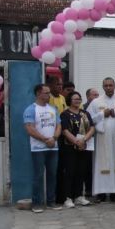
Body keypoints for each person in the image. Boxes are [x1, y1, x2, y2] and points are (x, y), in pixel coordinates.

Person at [23, 83, 62, 213]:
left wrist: (54, 138)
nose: (49, 95)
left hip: (53, 148)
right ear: (38, 94)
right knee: (38, 176)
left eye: (49, 92)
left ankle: (51, 201)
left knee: (52, 175)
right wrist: (45, 139)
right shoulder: (31, 109)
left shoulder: (53, 109)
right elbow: (29, 128)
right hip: (38, 149)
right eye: (46, 93)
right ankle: (37, 203)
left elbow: (58, 126)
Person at [90, 77, 115, 201]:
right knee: (102, 164)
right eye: (106, 86)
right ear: (103, 87)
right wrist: (102, 114)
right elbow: (89, 119)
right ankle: (101, 193)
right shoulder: (96, 102)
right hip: (102, 137)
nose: (108, 88)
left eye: (111, 85)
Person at [59, 92, 94, 208]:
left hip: (84, 146)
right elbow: (64, 130)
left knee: (81, 171)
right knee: (70, 172)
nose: (77, 101)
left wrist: (84, 140)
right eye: (75, 99)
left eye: (79, 99)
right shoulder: (65, 114)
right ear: (70, 100)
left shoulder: (85, 113)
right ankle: (68, 197)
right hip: (69, 147)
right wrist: (76, 141)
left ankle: (79, 196)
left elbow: (92, 128)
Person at [48, 77, 68, 205]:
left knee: (62, 168)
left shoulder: (62, 98)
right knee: (52, 169)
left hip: (62, 135)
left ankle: (61, 196)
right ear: (50, 85)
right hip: (51, 135)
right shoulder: (48, 98)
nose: (60, 87)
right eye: (57, 84)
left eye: (61, 84)